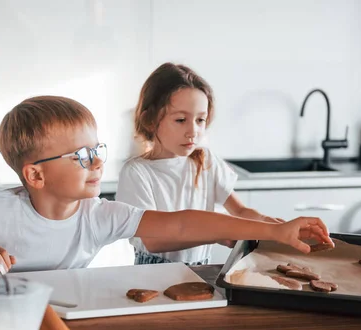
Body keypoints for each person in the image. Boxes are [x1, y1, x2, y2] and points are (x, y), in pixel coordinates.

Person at [0, 95, 333, 274]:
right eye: (81, 156)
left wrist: (274, 230)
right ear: (35, 175)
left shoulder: (98, 216)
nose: (98, 161)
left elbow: (182, 225)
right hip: (4, 317)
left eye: (95, 148)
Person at [117, 62, 283, 265]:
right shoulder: (137, 172)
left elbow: (240, 212)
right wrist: (216, 234)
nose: (193, 131)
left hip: (201, 269)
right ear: (150, 120)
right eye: (180, 120)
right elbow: (153, 240)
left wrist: (275, 226)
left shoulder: (205, 161)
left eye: (200, 120)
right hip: (151, 272)